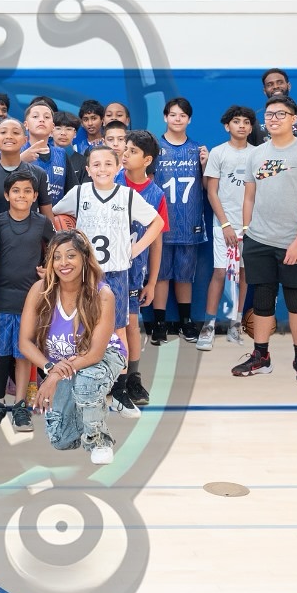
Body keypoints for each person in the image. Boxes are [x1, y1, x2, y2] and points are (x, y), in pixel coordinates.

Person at [53, 146, 164, 418]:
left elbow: (157, 222)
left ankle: (119, 390)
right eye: (96, 164)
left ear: (118, 168)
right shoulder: (79, 193)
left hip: (116, 273)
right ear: (88, 170)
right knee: (80, 330)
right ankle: (81, 388)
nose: (102, 169)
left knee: (119, 331)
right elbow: (55, 214)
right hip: (84, 274)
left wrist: (135, 251)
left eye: (107, 164)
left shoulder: (127, 196)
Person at [232, 95, 297, 381]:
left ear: (293, 119)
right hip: (259, 240)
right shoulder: (256, 154)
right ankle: (261, 356)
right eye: (269, 115)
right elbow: (249, 195)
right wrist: (247, 230)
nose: (273, 119)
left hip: (294, 243)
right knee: (261, 299)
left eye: (280, 114)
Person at [19, 230, 127, 465]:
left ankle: (99, 440)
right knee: (60, 439)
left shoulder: (102, 294)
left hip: (103, 357)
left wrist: (53, 376)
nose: (63, 263)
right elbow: (25, 343)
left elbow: (95, 353)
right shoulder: (40, 291)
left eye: (71, 256)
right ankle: (87, 408)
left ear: (84, 258)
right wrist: (50, 368)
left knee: (86, 382)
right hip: (63, 364)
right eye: (56, 257)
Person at [0, 170, 54, 431]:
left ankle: (21, 404)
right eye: (16, 191)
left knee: (23, 354)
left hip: (30, 301)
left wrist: (50, 270)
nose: (21, 195)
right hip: (0, 299)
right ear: (6, 195)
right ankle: (0, 402)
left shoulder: (41, 223)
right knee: (0, 354)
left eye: (27, 191)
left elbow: (57, 248)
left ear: (35, 196)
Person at [198, 106, 257, 350]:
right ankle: (208, 325)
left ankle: (235, 323)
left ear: (251, 127)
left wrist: (248, 225)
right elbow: (211, 191)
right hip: (223, 225)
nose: (241, 125)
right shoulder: (219, 153)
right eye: (236, 121)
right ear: (227, 126)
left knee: (244, 274)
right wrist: (225, 224)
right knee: (221, 272)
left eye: (246, 122)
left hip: (252, 227)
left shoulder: (259, 153)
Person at [150, 97, 208, 345]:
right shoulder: (154, 148)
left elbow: (207, 187)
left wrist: (205, 166)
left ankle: (186, 322)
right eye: (172, 114)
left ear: (189, 119)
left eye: (182, 115)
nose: (177, 119)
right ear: (165, 117)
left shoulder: (198, 150)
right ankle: (159, 324)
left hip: (189, 221)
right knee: (160, 274)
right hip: (161, 222)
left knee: (185, 275)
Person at [117, 131, 168, 407]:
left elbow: (157, 243)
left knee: (131, 326)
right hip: (106, 270)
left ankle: (132, 378)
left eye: (132, 150)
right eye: (125, 148)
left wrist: (152, 282)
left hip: (134, 272)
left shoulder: (155, 194)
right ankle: (110, 377)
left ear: (147, 159)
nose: (125, 153)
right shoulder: (111, 182)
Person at [0, 118, 53, 218]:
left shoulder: (39, 173)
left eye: (15, 132)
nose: (9, 136)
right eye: (3, 132)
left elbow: (48, 216)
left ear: (25, 140)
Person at [251, 68, 297, 152]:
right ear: (264, 91)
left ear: (288, 86)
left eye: (280, 82)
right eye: (270, 84)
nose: (275, 86)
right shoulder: (254, 118)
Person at [21, 101, 69, 203]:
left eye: (47, 117)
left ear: (52, 127)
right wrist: (19, 161)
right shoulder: (16, 152)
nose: (42, 120)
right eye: (35, 116)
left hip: (54, 217)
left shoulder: (62, 154)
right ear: (26, 125)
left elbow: (71, 193)